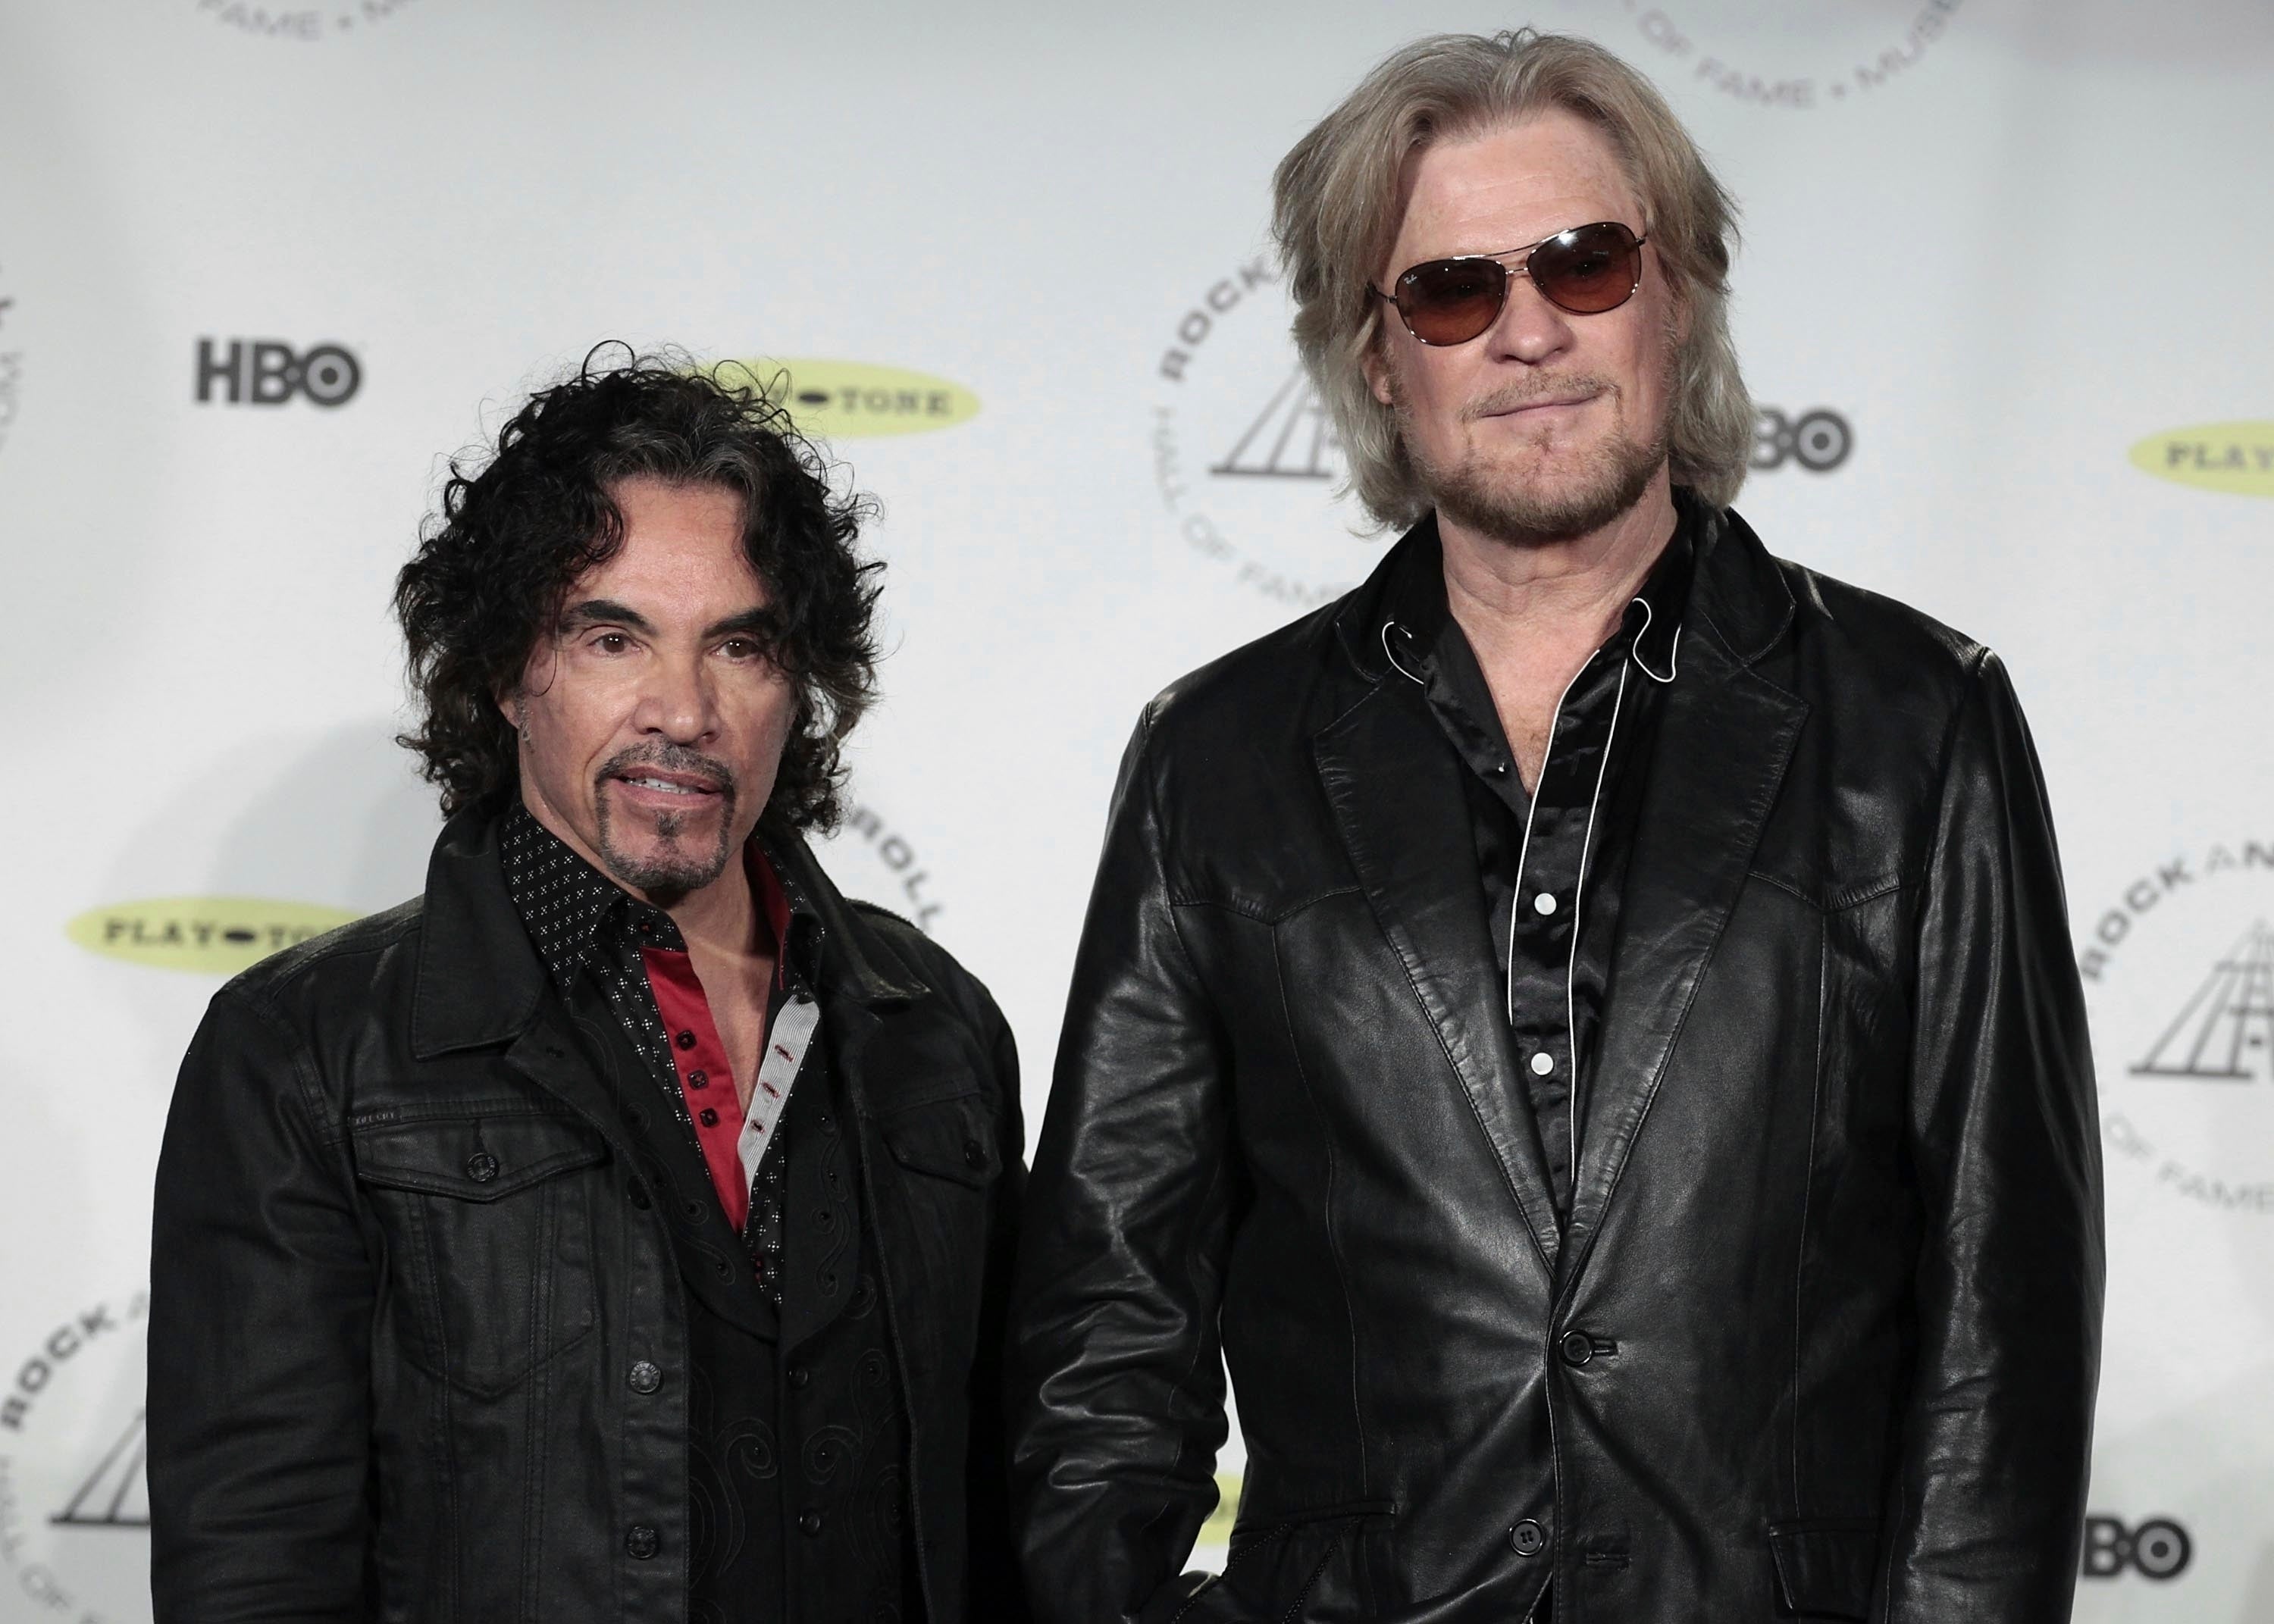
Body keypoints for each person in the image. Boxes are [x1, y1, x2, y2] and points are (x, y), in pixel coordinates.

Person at [1010, 30, 2100, 1624]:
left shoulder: (1916, 726)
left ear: (1680, 293)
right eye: (1453, 291)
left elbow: (2003, 1315)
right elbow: (1110, 1319)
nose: (1529, 331)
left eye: (1586, 264)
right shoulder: (1219, 761)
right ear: (1377, 356)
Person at [149, 352, 1026, 1623]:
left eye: (741, 645)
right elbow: (256, 1568)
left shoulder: (933, 1023)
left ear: (800, 687)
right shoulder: (306, 1051)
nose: (684, 709)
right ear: (509, 671)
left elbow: (1003, 1508)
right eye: (614, 638)